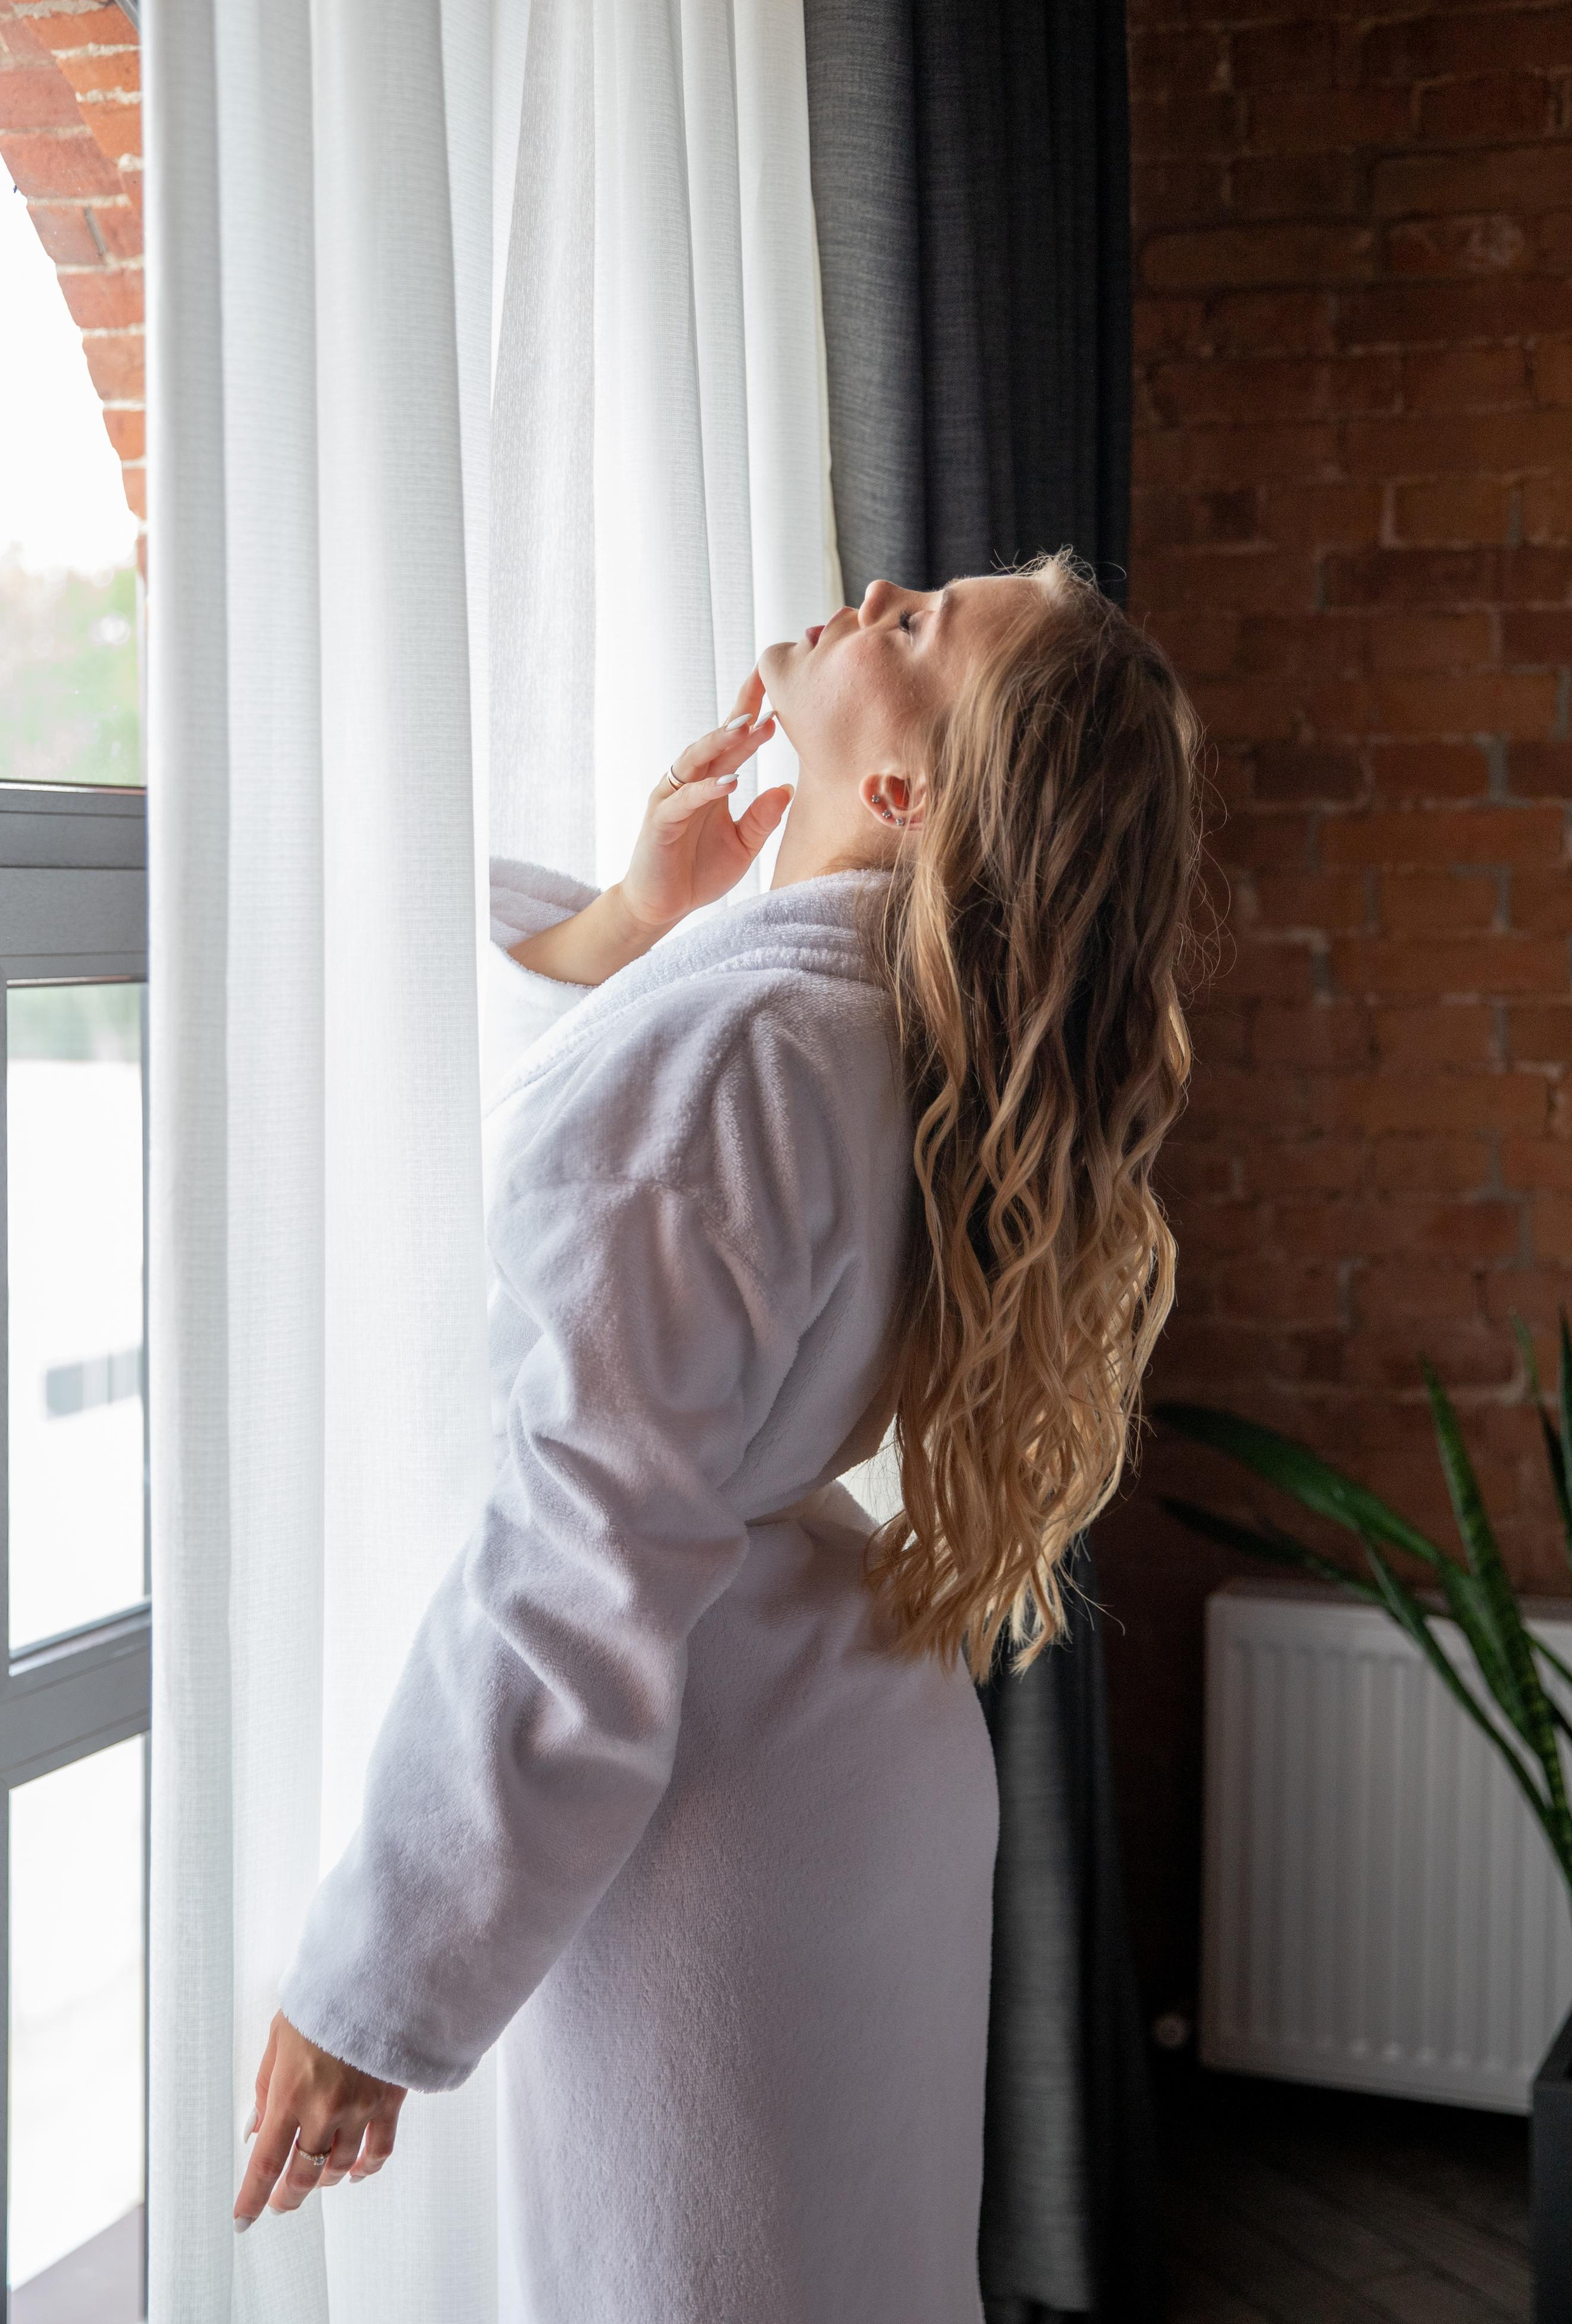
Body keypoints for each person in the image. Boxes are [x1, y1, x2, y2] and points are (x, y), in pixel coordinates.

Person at [233, 556, 1200, 2321]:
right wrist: (637, 921)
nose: (882, 589)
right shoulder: (870, 1028)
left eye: (920, 627)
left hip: (719, 1841)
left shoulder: (741, 1050)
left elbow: (574, 1575)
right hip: (848, 1769)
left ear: (902, 790)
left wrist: (376, 1990)